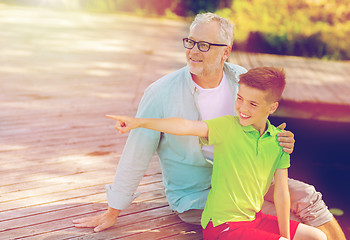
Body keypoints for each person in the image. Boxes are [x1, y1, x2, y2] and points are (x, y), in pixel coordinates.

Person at [73, 12, 345, 239]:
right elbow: (137, 152)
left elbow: (260, 130)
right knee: (276, 218)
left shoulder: (242, 79)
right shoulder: (161, 92)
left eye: (204, 45)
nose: (193, 51)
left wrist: (282, 140)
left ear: (226, 52)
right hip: (197, 194)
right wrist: (113, 209)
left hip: (246, 179)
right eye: (190, 42)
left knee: (308, 196)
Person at [106, 66, 327, 240]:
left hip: (254, 219)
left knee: (318, 236)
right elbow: (185, 126)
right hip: (223, 226)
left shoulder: (278, 140)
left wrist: (284, 235)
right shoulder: (228, 127)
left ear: (272, 108)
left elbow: (281, 193)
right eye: (239, 99)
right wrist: (139, 121)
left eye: (253, 104)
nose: (243, 108)